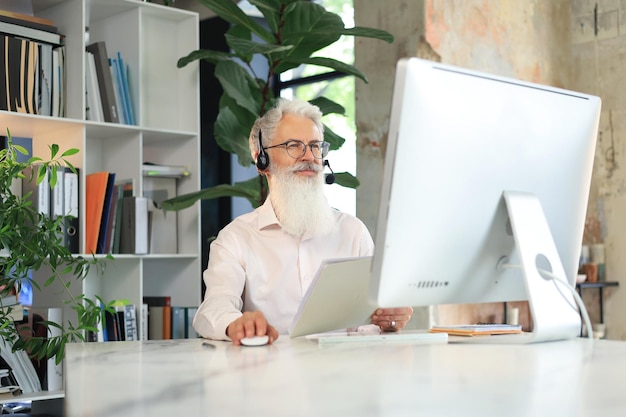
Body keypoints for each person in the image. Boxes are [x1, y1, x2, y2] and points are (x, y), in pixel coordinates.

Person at [193, 98, 413, 345]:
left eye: (315, 146)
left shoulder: (353, 232)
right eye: (293, 146)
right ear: (261, 159)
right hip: (270, 376)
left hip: (347, 375)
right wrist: (235, 324)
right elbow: (212, 309)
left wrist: (389, 319)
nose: (309, 156)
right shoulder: (236, 238)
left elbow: (371, 322)